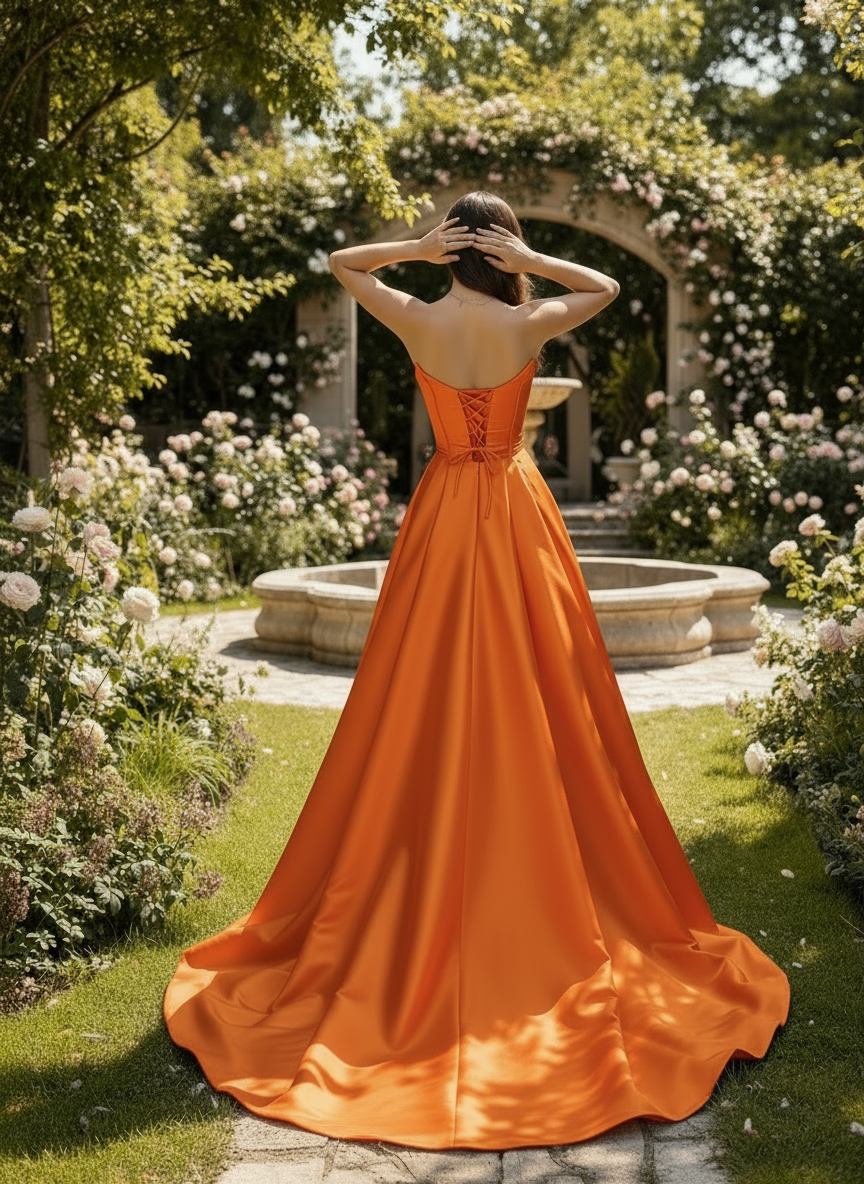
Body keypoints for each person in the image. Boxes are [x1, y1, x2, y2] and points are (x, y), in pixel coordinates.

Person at [163, 191, 789, 1150]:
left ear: (451, 244)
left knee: (420, 685)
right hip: (516, 507)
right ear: (501, 246)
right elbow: (612, 281)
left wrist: (417, 249)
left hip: (447, 511)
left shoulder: (416, 314)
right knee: (545, 683)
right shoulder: (530, 315)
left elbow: (342, 264)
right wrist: (526, 260)